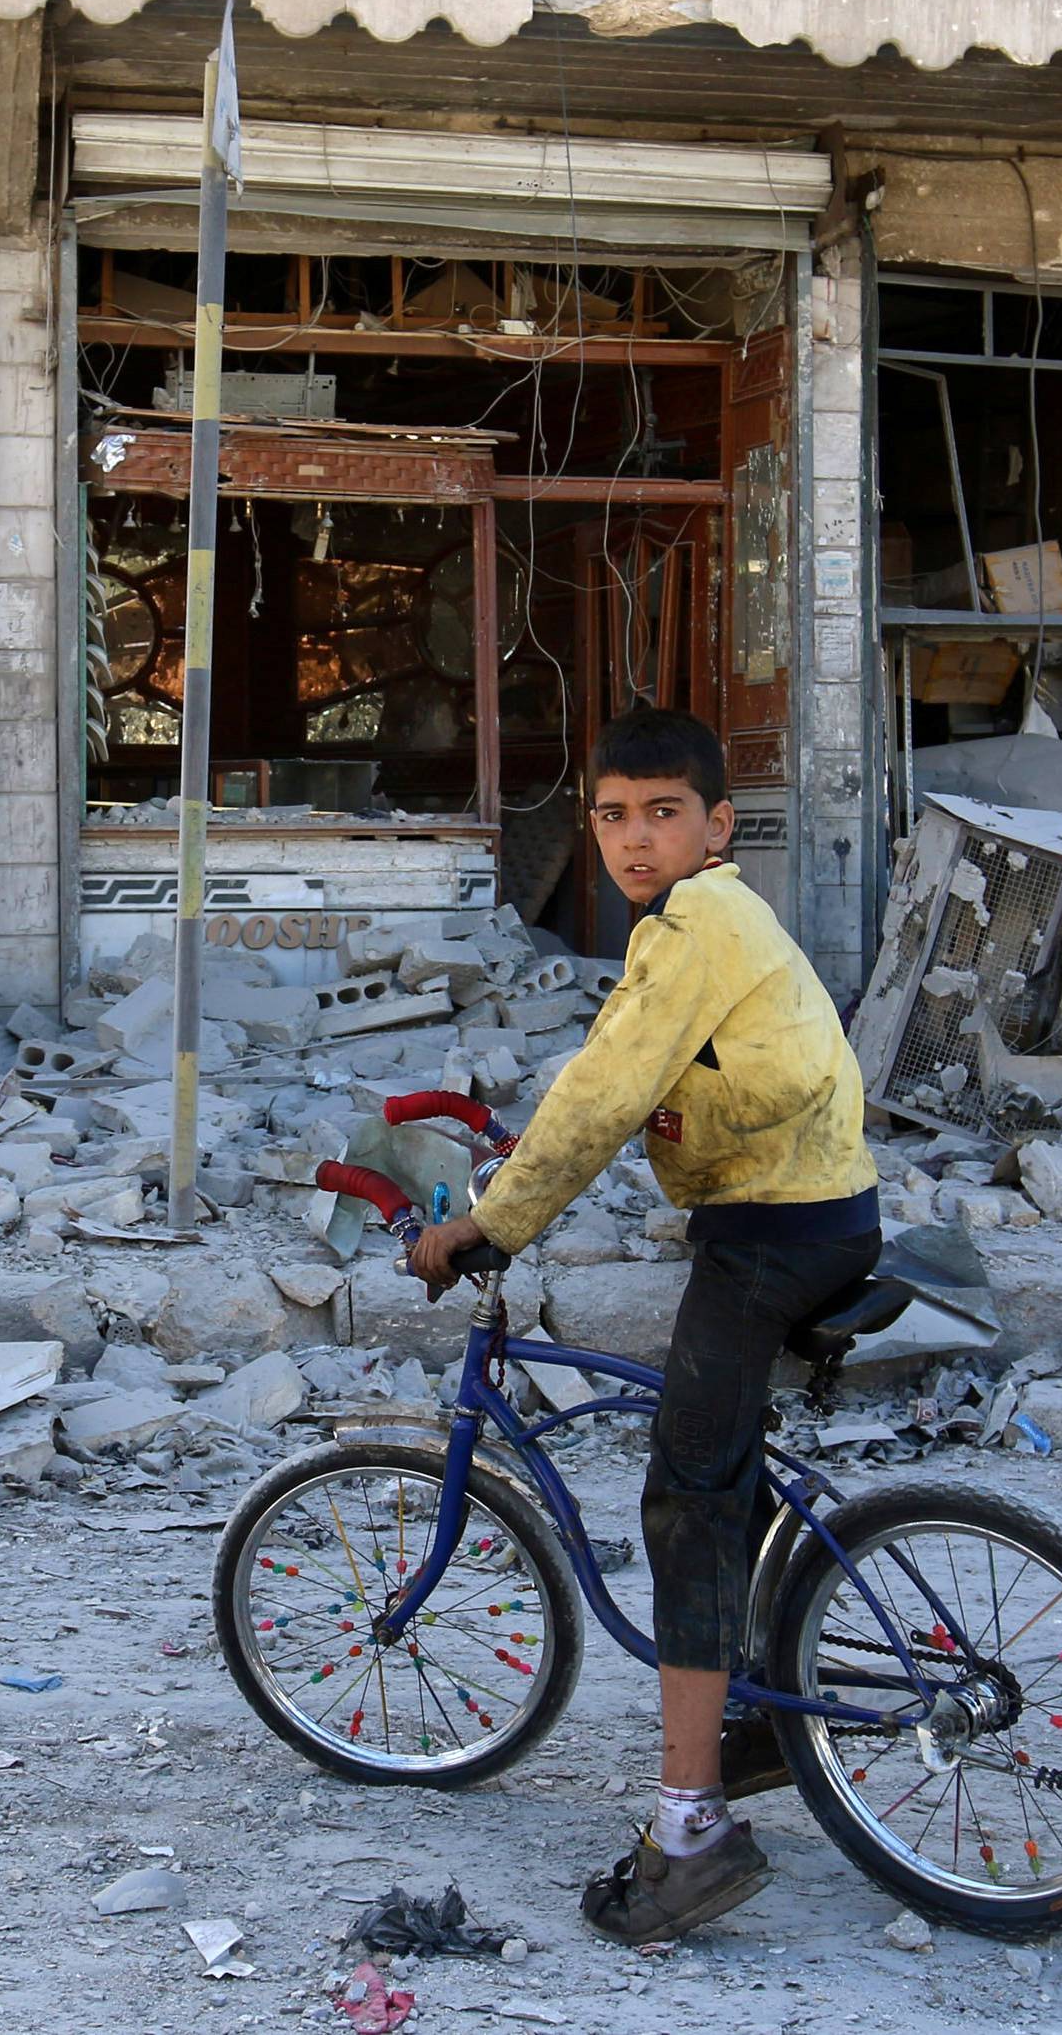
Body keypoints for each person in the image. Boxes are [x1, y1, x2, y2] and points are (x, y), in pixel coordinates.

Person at [409, 706, 881, 1944]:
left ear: (717, 827)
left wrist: (489, 1226)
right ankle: (765, 1707)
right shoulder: (699, 928)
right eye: (612, 815)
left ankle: (690, 1835)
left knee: (685, 1497)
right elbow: (629, 1078)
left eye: (663, 812)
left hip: (777, 1238)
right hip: (806, 1218)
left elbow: (607, 1090)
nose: (634, 838)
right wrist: (522, 1167)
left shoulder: (699, 921)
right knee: (729, 1473)